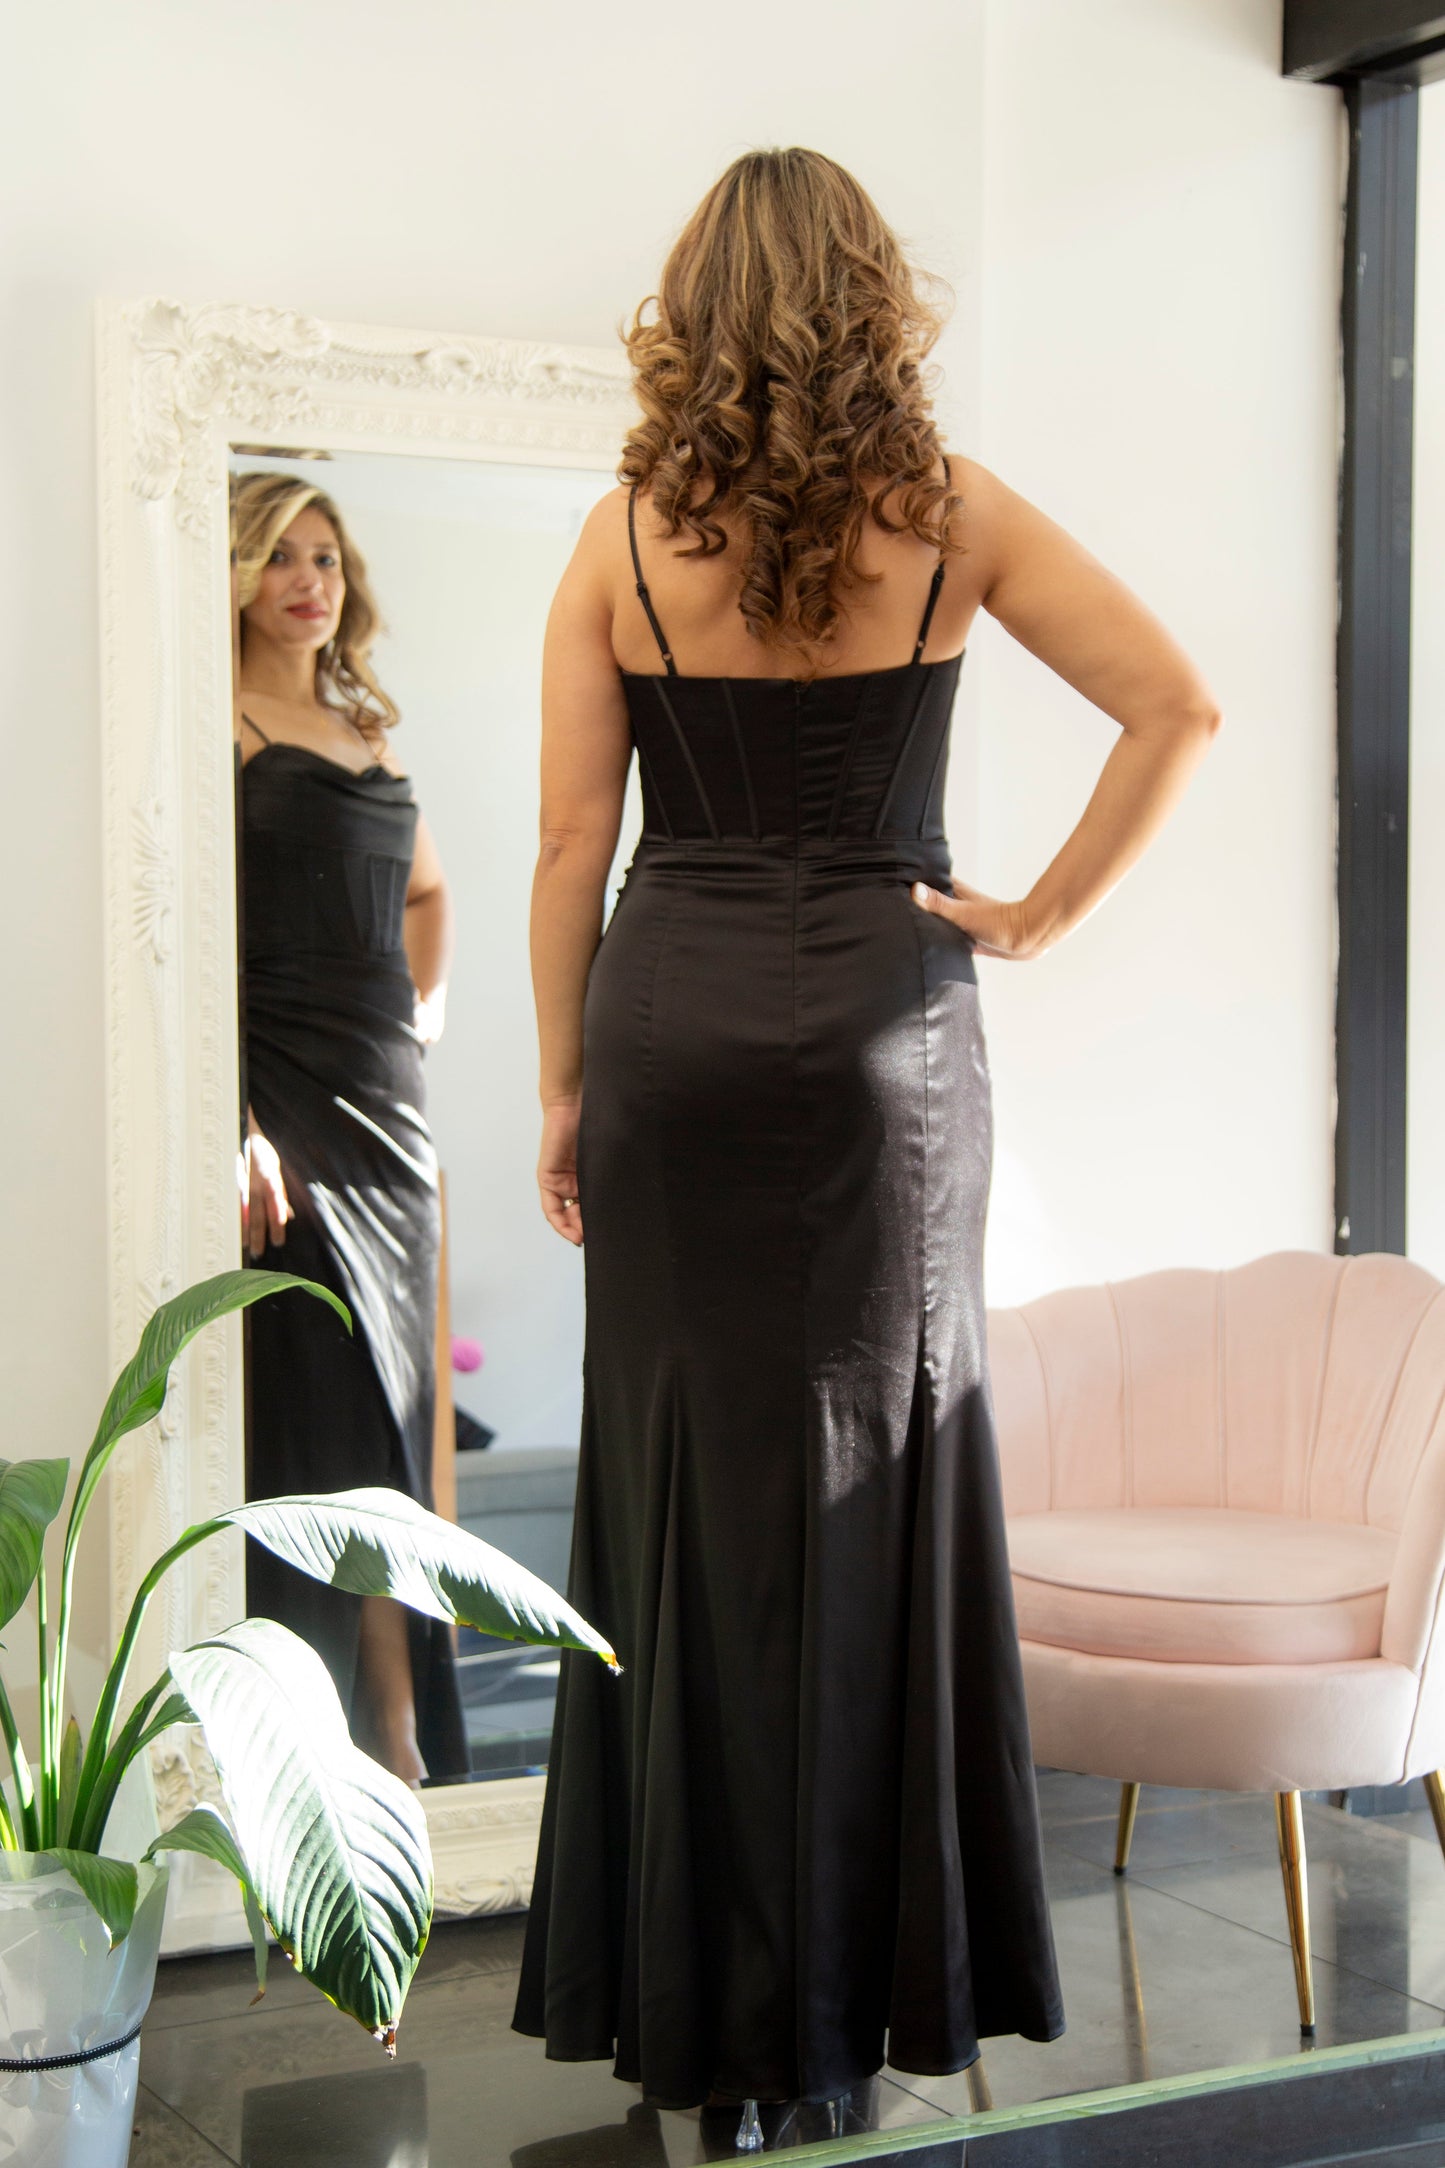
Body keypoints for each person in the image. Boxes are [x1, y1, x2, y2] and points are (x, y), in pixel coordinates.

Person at [514, 148, 1220, 2127]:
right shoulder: (953, 513)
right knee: (872, 1490)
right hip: (885, 1043)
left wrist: (562, 1085)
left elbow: (575, 843)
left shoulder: (619, 543)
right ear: (868, 300)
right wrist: (1033, 914)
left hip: (670, 1024)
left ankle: (697, 2023)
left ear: (694, 313)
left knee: (678, 1507)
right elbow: (1176, 705)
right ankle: (844, 2016)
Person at [232, 471, 466, 1787]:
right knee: (322, 1407)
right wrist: (232, 1120)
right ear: (233, 576)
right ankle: (347, 1725)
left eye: (323, 555)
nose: (306, 579)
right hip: (283, 1090)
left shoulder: (362, 727)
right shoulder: (216, 724)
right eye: (276, 555)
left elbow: (429, 889)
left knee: (398, 1409)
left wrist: (423, 1013)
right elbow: (186, 945)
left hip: (389, 1100)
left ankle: (398, 1719)